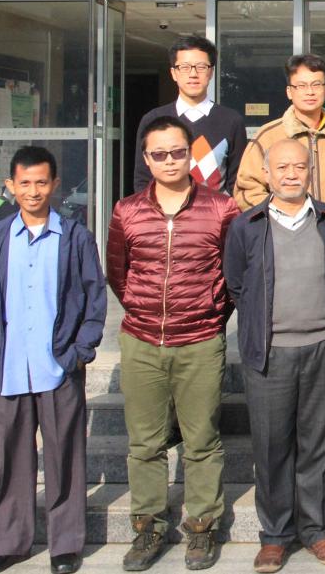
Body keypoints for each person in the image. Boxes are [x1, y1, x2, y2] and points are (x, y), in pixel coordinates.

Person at [0, 147, 106, 574]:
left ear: (55, 184)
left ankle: (65, 544)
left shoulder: (75, 236)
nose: (34, 191)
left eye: (42, 182)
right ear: (10, 186)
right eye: (24, 183)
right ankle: (7, 543)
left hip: (57, 367)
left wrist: (80, 352)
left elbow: (94, 298)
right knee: (9, 458)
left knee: (64, 457)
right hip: (6, 366)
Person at [108, 115, 241, 571]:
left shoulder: (222, 208)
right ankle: (148, 529)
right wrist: (144, 311)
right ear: (146, 159)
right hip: (142, 341)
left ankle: (202, 527)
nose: (169, 161)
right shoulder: (126, 210)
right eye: (158, 154)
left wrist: (208, 313)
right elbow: (118, 273)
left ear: (191, 155)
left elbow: (231, 276)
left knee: (202, 440)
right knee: (144, 443)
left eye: (177, 152)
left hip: (200, 340)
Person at [223, 138, 325, 573]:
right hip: (270, 354)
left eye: (299, 166)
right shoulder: (247, 225)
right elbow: (236, 284)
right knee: (272, 445)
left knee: (319, 444)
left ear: (310, 170)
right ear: (267, 173)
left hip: (321, 350)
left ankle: (317, 531)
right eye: (282, 168)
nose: (291, 174)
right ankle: (275, 535)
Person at [234, 53, 325, 219]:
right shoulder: (268, 135)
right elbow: (246, 188)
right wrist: (278, 218)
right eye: (301, 86)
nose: (310, 92)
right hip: (281, 234)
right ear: (289, 92)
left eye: (316, 84)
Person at [132, 35, 248, 194]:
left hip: (216, 216)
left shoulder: (231, 121)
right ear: (173, 73)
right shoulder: (153, 120)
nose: (193, 74)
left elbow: (237, 181)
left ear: (211, 72)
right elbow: (143, 179)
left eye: (201, 66)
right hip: (165, 216)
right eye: (185, 67)